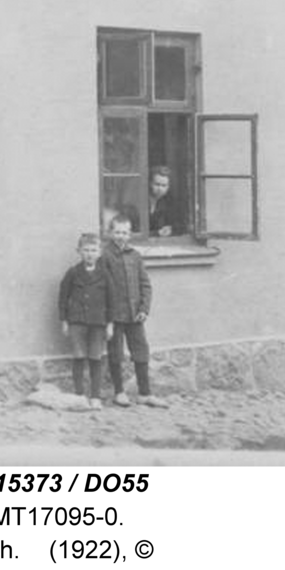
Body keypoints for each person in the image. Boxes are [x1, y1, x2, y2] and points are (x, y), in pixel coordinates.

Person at [102, 214, 168, 408]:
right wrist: (107, 317)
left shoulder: (135, 255)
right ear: (110, 233)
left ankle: (145, 393)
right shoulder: (105, 256)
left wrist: (144, 309)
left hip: (135, 315)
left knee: (141, 352)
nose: (121, 236)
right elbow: (102, 287)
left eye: (124, 232)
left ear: (130, 234)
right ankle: (119, 392)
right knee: (116, 354)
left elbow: (145, 284)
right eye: (117, 232)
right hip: (115, 316)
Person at [58, 233, 113, 410]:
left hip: (98, 323)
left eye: (93, 250)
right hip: (77, 321)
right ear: (79, 252)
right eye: (86, 250)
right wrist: (64, 321)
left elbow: (112, 300)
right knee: (79, 356)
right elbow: (63, 298)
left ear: (100, 252)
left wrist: (110, 323)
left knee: (96, 357)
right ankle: (79, 394)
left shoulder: (105, 274)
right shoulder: (73, 273)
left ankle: (96, 396)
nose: (90, 254)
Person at [148, 166, 185, 237]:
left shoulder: (171, 203)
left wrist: (170, 230)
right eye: (157, 184)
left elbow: (179, 226)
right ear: (150, 183)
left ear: (168, 187)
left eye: (163, 185)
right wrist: (156, 233)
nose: (160, 188)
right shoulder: (142, 200)